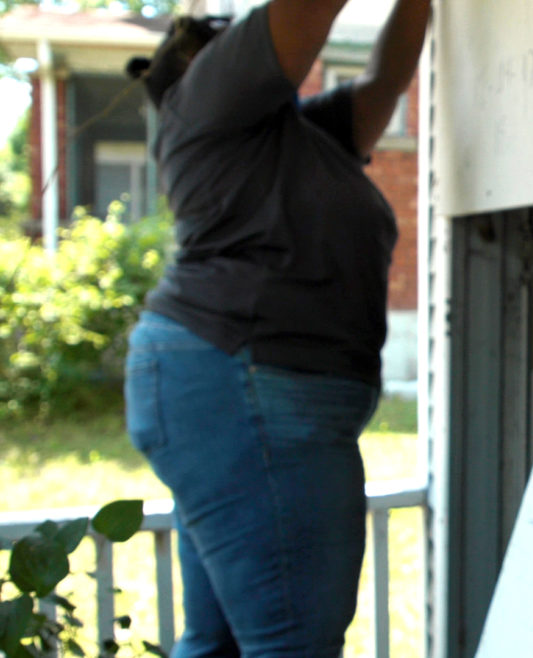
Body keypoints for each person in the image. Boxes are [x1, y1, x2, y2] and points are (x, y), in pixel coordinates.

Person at [122, 0, 430, 655]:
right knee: (293, 645)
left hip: (234, 388)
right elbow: (302, 13)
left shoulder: (298, 138)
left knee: (220, 642)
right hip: (243, 386)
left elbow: (386, 82)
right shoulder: (200, 96)